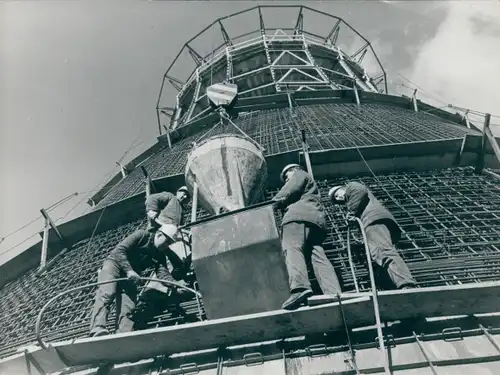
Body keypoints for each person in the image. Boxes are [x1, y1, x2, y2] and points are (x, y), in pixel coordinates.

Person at [89, 224, 181, 337]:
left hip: (131, 274)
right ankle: (97, 328)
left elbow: (162, 273)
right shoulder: (141, 235)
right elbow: (119, 251)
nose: (167, 246)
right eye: (167, 242)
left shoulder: (160, 254)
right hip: (114, 264)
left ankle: (123, 334)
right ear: (159, 235)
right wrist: (129, 270)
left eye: (170, 244)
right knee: (107, 292)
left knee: (128, 304)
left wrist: (175, 285)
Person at [273, 164, 343, 311]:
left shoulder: (299, 174)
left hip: (297, 216)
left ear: (293, 170)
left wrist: (272, 204)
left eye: (287, 177)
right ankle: (333, 292)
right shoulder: (310, 187)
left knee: (292, 248)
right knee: (318, 257)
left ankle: (299, 287)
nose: (286, 180)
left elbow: (289, 189)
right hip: (315, 221)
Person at [328, 182, 417, 290]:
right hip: (376, 221)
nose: (338, 198)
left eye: (337, 194)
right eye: (336, 199)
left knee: (383, 251)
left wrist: (351, 212)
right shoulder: (357, 204)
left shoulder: (352, 186)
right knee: (379, 255)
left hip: (374, 220)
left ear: (342, 188)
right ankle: (394, 285)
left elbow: (360, 191)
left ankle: (406, 283)